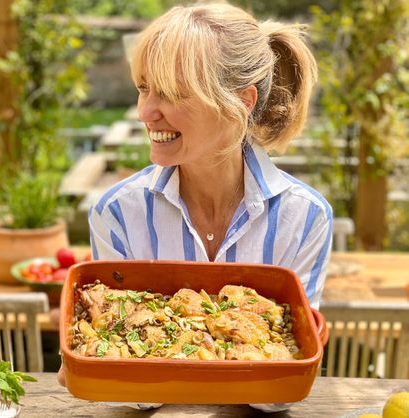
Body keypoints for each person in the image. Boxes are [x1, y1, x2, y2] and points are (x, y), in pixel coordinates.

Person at [60, 2, 333, 412]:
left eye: (170, 93)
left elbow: (280, 392)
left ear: (241, 101)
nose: (145, 112)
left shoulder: (304, 218)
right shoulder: (117, 213)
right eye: (143, 88)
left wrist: (136, 370)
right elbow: (124, 393)